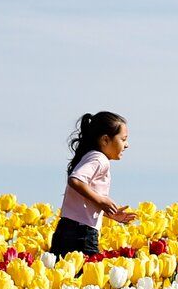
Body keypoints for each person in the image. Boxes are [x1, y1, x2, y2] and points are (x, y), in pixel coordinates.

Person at [53, 111, 137, 258]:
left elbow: (84, 200)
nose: (127, 145)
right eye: (123, 139)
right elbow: (75, 180)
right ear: (105, 140)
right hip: (82, 234)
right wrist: (101, 200)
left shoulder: (90, 156)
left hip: (66, 229)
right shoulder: (100, 160)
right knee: (88, 271)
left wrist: (109, 213)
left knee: (61, 270)